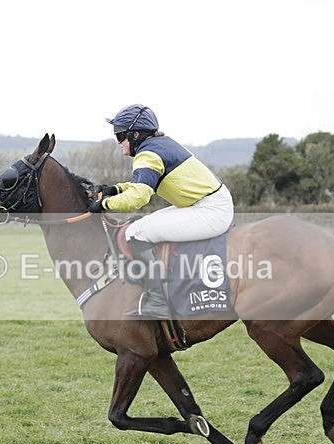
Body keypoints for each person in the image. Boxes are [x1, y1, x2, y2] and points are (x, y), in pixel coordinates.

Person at [89, 104, 234, 318]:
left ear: (135, 134)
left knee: (135, 232)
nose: (118, 142)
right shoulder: (158, 146)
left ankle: (157, 302)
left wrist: (103, 205)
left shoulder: (148, 155)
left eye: (120, 136)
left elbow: (140, 196)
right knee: (142, 226)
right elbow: (140, 184)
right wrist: (115, 189)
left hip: (210, 210)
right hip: (208, 204)